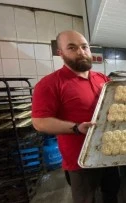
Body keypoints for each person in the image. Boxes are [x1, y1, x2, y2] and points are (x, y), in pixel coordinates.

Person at [32, 30, 120, 203]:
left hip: (109, 152)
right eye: (72, 48)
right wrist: (76, 128)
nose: (81, 52)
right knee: (87, 199)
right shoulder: (50, 84)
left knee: (112, 194)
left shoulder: (101, 78)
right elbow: (39, 122)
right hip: (80, 159)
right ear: (61, 53)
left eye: (84, 47)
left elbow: (116, 104)